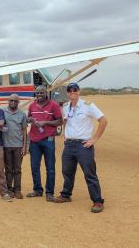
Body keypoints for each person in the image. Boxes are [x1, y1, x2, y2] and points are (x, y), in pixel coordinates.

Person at [54, 83, 108, 213]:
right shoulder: (66, 107)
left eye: (75, 90)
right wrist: (66, 135)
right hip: (69, 145)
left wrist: (94, 139)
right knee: (67, 171)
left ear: (79, 91)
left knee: (89, 173)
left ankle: (97, 201)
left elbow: (103, 120)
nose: (72, 92)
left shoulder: (88, 105)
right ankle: (66, 195)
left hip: (83, 145)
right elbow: (66, 121)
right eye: (70, 90)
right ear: (67, 93)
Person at [27, 85, 63, 202]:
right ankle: (37, 190)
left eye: (42, 92)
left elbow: (60, 121)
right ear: (35, 94)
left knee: (50, 168)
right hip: (34, 141)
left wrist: (45, 122)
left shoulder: (54, 105)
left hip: (48, 140)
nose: (39, 95)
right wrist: (30, 120)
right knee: (34, 167)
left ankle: (49, 192)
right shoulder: (32, 105)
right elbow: (28, 118)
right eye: (37, 93)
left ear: (46, 93)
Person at [2, 94, 28, 199]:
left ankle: (17, 190)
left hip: (18, 146)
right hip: (6, 145)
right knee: (8, 169)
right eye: (11, 100)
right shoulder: (2, 112)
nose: (13, 102)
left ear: (18, 102)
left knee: (17, 169)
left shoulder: (22, 114)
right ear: (8, 101)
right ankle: (9, 189)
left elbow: (24, 130)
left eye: (15, 101)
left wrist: (24, 146)